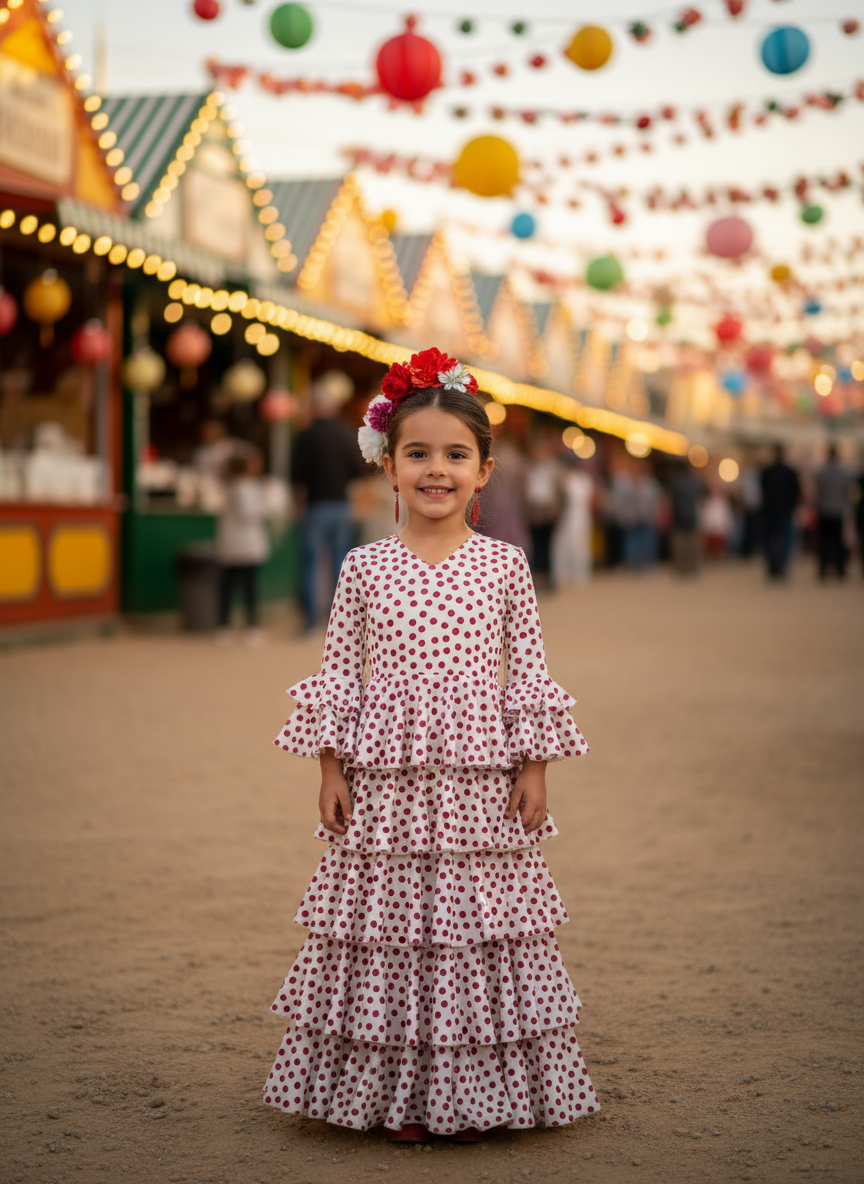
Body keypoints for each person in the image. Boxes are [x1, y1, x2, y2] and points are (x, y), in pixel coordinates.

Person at [265, 348, 598, 1143]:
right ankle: (395, 1095)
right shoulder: (362, 568)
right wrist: (330, 769)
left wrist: (535, 769)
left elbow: (529, 676)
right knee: (388, 928)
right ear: (389, 465)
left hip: (480, 786)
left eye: (456, 455)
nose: (436, 470)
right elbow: (339, 675)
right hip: (387, 787)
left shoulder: (506, 568)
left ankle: (473, 1093)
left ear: (484, 472)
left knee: (474, 931)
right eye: (418, 454)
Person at [291, 374, 363, 631]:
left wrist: (297, 503)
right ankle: (339, 622)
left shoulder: (307, 434)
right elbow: (356, 471)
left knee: (310, 563)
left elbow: (296, 475)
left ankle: (311, 622)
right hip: (341, 507)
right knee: (340, 566)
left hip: (315, 506)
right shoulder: (345, 433)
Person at [216, 451, 270, 646]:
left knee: (229, 588)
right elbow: (248, 512)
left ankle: (225, 627)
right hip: (245, 547)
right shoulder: (246, 486)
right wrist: (267, 503)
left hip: (233, 546)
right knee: (248, 589)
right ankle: (250, 627)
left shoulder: (231, 486)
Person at [525, 433, 564, 589]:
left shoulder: (554, 469)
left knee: (548, 546)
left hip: (548, 513)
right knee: (535, 546)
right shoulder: (529, 468)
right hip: (533, 513)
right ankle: (537, 577)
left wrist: (557, 511)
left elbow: (561, 493)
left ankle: (548, 577)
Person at [760, 444, 800, 580]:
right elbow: (796, 491)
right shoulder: (789, 472)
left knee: (770, 539)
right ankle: (782, 565)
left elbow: (763, 490)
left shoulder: (767, 471)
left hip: (770, 510)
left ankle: (773, 565)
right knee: (786, 539)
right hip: (785, 510)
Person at [813, 443, 853, 580]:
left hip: (824, 509)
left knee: (824, 540)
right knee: (838, 541)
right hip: (838, 510)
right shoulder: (844, 473)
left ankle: (823, 568)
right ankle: (840, 568)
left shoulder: (822, 473)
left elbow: (818, 491)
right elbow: (848, 492)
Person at [552, 456, 594, 585]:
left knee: (579, 545)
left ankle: (579, 573)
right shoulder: (568, 478)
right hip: (567, 515)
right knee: (565, 544)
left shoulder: (583, 479)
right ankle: (565, 573)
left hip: (580, 515)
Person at [668, 459, 706, 576]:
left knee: (680, 544)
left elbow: (670, 500)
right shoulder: (696, 482)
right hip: (692, 515)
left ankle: (681, 567)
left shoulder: (675, 482)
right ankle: (692, 566)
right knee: (692, 543)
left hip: (678, 516)